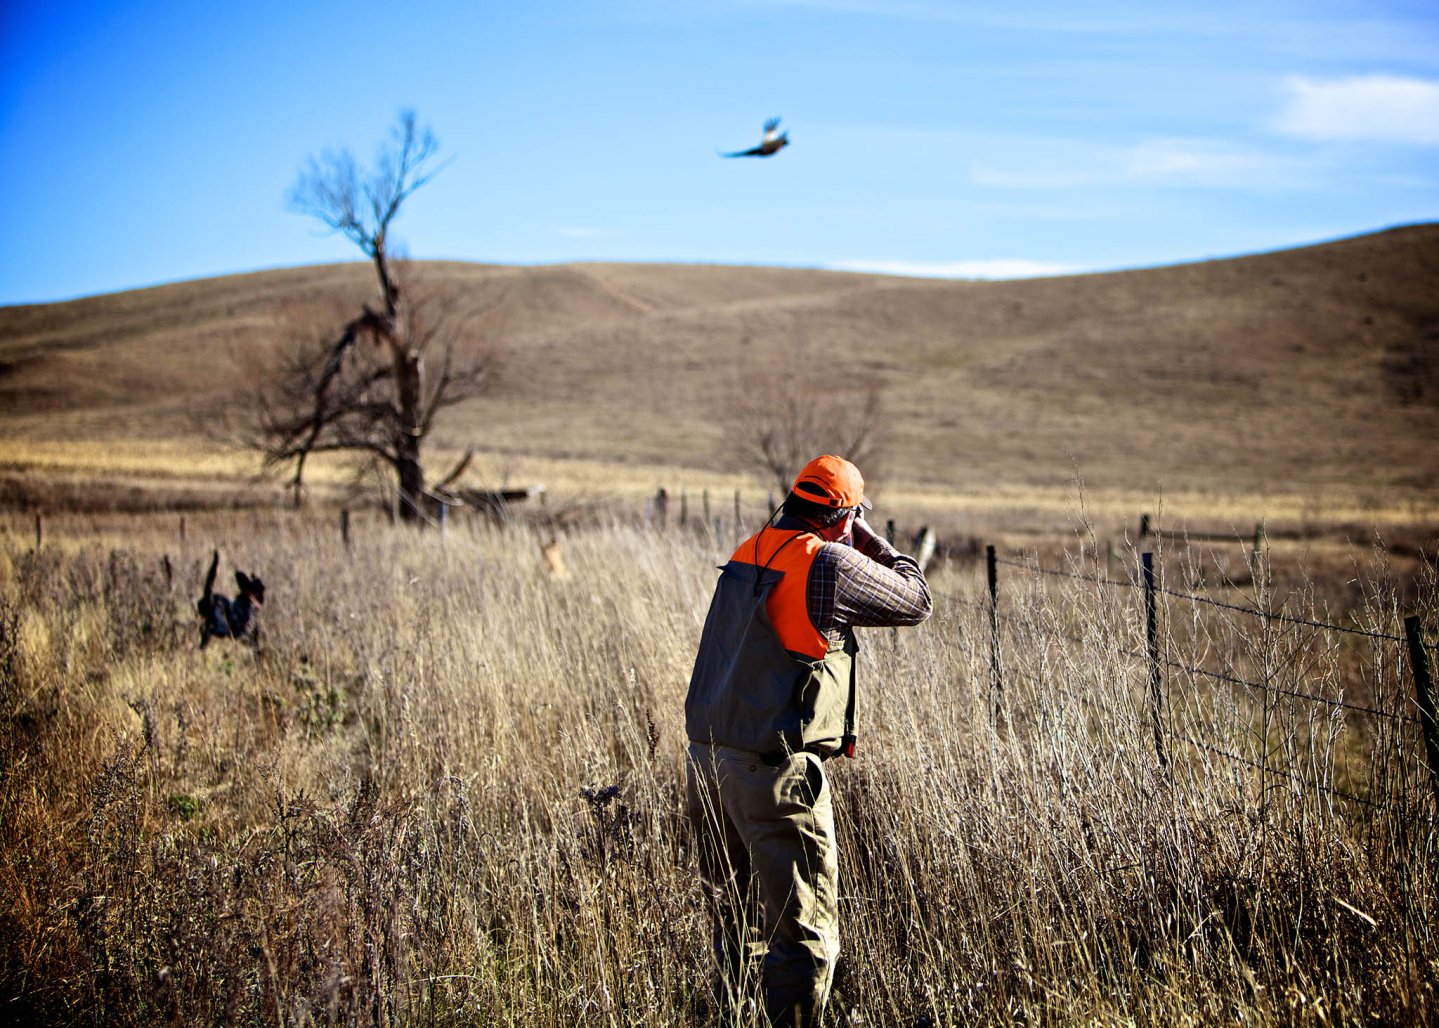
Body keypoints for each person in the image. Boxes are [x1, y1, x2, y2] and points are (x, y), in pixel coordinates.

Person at [685, 455, 933, 1026]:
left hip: (706, 762)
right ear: (843, 516)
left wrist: (847, 527)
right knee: (804, 936)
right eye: (852, 517)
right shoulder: (829, 563)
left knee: (737, 923)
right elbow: (916, 599)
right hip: (774, 773)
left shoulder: (753, 548)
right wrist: (871, 540)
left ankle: (736, 1017)